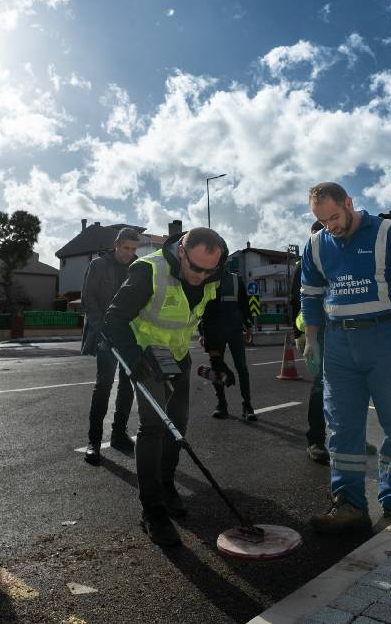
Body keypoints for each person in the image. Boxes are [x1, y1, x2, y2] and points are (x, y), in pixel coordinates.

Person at [300, 183, 391, 532]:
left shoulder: (390, 234)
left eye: (334, 217)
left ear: (349, 203)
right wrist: (312, 339)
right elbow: (311, 294)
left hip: (386, 339)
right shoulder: (317, 244)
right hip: (339, 344)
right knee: (341, 427)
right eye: (322, 220)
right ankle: (349, 505)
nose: (330, 226)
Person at [102, 227, 228, 547]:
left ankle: (167, 484)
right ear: (182, 252)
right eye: (196, 268)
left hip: (179, 357)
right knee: (154, 427)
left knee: (179, 425)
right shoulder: (148, 271)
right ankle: (153, 509)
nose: (201, 276)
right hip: (145, 357)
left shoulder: (214, 275)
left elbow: (210, 320)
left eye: (208, 269)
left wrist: (216, 358)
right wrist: (133, 357)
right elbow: (113, 319)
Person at [80, 227, 142, 465]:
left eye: (134, 249)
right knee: (104, 385)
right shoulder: (97, 265)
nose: (129, 253)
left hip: (128, 336)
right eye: (126, 247)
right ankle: (94, 442)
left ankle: (118, 434)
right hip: (105, 334)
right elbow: (88, 299)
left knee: (127, 386)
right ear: (116, 244)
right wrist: (101, 328)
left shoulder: (139, 268)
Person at [291, 221, 329, 464]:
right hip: (317, 333)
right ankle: (315, 439)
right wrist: (299, 336)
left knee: (353, 387)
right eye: (316, 235)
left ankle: (352, 437)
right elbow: (295, 301)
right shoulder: (303, 264)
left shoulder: (342, 258)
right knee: (320, 386)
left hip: (345, 331)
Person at [199, 268, 256, 421]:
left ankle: (247, 405)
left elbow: (244, 304)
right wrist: (203, 332)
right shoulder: (207, 279)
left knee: (242, 368)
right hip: (215, 331)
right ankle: (221, 404)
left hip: (235, 330)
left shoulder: (236, 279)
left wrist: (249, 326)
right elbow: (202, 307)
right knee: (218, 368)